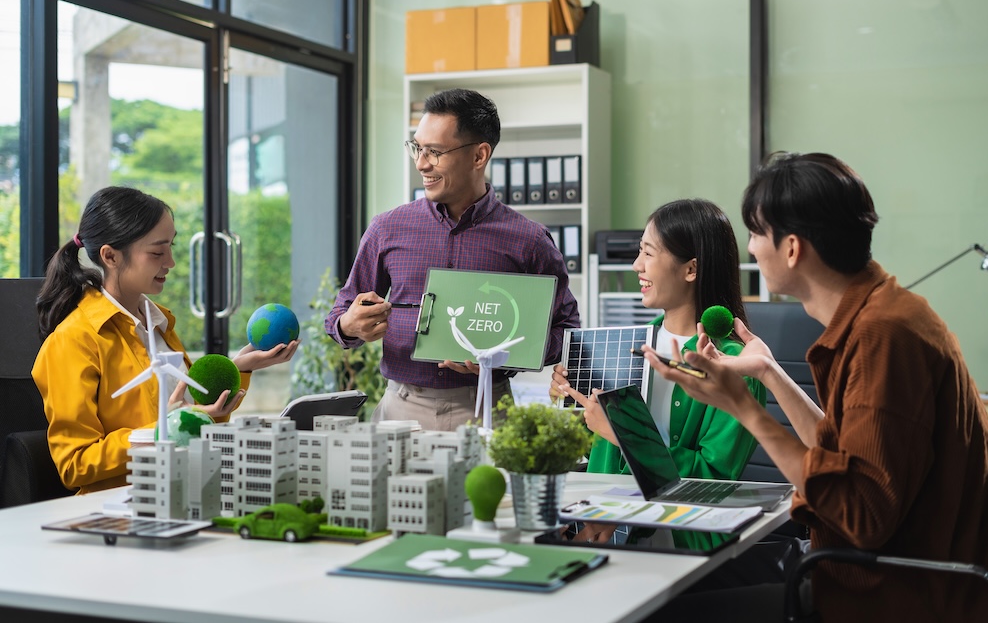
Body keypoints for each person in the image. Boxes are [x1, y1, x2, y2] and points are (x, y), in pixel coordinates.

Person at [649, 153, 988, 622]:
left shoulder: (884, 338)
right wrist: (769, 372)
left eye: (755, 234)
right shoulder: (879, 315)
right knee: (666, 575)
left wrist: (748, 411)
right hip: (854, 570)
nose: (750, 249)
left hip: (887, 594)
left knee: (656, 609)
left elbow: (860, 516)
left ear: (792, 248)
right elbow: (840, 459)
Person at [325, 88, 580, 431]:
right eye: (417, 147)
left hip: (487, 409)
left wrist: (501, 360)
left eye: (435, 152)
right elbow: (340, 313)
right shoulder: (388, 228)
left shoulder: (528, 240)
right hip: (400, 410)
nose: (421, 163)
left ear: (479, 156)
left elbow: (566, 331)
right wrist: (349, 325)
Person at [33, 186, 298, 495]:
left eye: (171, 247)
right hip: (128, 505)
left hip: (188, 491)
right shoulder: (74, 340)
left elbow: (188, 416)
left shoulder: (159, 324)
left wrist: (240, 367)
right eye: (157, 252)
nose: (170, 262)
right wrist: (162, 430)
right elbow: (75, 463)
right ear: (110, 256)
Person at [553, 199, 766, 480]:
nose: (636, 265)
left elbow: (714, 477)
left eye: (649, 254)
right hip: (606, 515)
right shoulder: (627, 345)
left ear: (691, 269)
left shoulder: (737, 367)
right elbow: (598, 451)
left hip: (678, 521)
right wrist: (571, 403)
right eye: (639, 251)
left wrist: (624, 435)